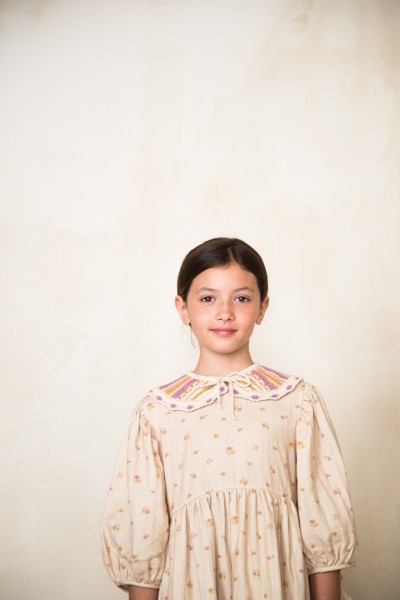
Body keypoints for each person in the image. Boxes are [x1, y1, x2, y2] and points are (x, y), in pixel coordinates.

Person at [101, 237, 357, 600]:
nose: (224, 313)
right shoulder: (156, 413)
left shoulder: (297, 400)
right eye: (208, 298)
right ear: (183, 308)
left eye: (241, 298)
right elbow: (144, 537)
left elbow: (323, 522)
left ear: (262, 307)